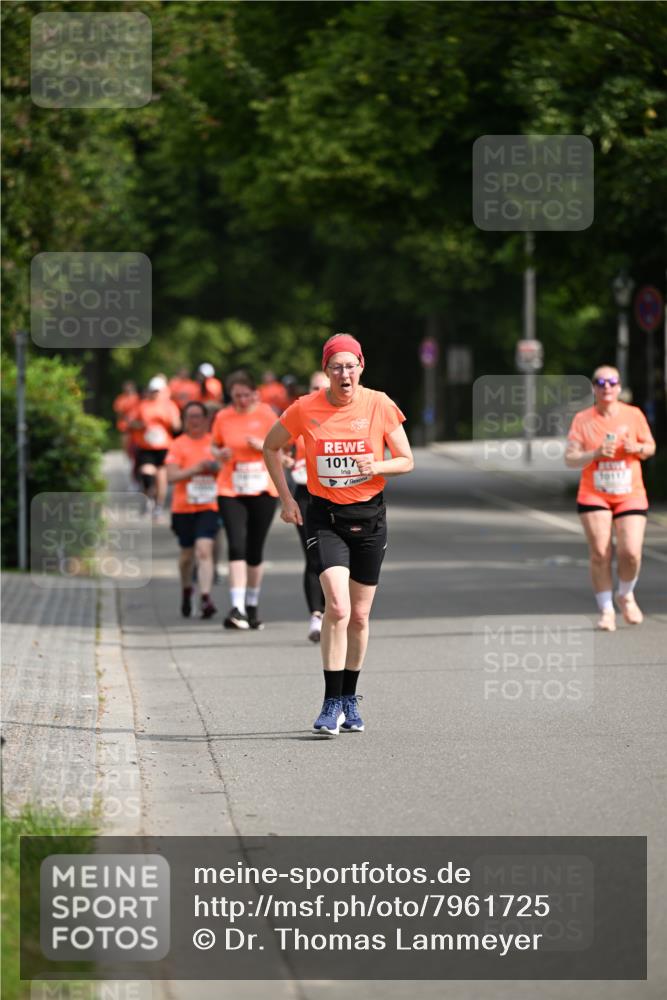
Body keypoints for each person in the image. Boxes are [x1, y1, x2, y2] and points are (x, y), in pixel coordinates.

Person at [263, 333, 414, 736]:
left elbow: (406, 460)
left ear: (361, 367)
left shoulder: (379, 404)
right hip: (324, 517)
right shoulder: (305, 408)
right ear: (326, 370)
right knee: (339, 608)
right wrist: (285, 499)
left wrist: (375, 466)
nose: (344, 374)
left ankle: (350, 697)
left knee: (361, 617)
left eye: (350, 366)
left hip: (370, 519)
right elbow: (270, 447)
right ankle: (330, 703)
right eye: (336, 367)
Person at [565, 364, 656, 631]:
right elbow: (570, 458)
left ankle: (625, 594)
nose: (607, 387)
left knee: (631, 553)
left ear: (619, 388)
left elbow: (650, 447)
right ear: (594, 388)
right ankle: (606, 610)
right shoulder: (583, 419)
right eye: (601, 382)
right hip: (594, 493)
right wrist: (594, 454)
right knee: (600, 552)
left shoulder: (633, 414)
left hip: (630, 493)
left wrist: (636, 448)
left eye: (612, 382)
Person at [211, 372, 280, 630]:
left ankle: (251, 605)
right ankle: (236, 607)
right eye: (235, 395)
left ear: (255, 394)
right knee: (236, 545)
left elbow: (282, 446)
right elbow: (213, 446)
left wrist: (262, 445)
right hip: (231, 489)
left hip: (263, 489)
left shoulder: (266, 415)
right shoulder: (223, 416)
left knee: (254, 549)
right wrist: (220, 453)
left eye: (245, 395)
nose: (240, 400)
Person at [284, 370, 330, 642]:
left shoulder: (343, 417)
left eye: (323, 387)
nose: (319, 391)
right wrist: (289, 463)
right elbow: (276, 447)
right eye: (314, 387)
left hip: (337, 494)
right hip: (305, 493)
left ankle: (335, 611)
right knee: (314, 554)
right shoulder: (299, 413)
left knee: (338, 558)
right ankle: (316, 614)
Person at [165, 401, 220, 619]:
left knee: (204, 550)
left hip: (209, 505)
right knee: (187, 556)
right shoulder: (178, 444)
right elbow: (171, 476)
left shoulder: (214, 444)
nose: (194, 421)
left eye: (198, 416)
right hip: (183, 507)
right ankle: (187, 589)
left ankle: (205, 597)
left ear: (206, 420)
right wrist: (197, 468)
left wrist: (215, 466)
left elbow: (226, 468)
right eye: (190, 417)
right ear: (184, 420)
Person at [128, 377, 181, 518]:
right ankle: (148, 499)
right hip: (146, 446)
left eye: (157, 391)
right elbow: (132, 422)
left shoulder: (170, 406)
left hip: (164, 447)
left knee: (161, 477)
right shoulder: (143, 405)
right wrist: (142, 425)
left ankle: (158, 505)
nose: (154, 394)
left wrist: (165, 421)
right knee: (146, 473)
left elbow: (177, 426)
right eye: (152, 391)